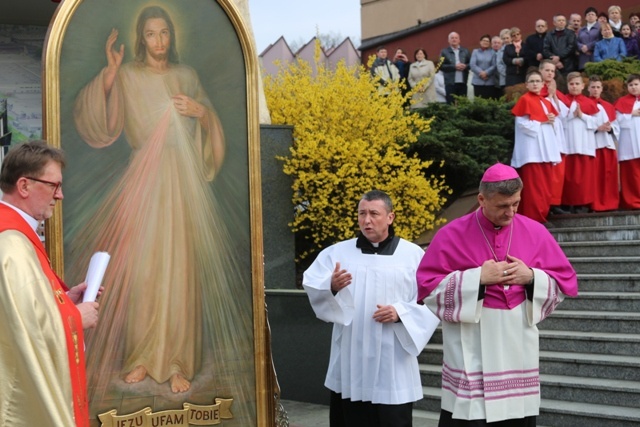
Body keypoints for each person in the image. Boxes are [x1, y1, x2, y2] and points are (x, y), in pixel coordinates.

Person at [72, 4, 251, 399]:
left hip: (183, 183)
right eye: (151, 34)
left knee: (180, 269)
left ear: (173, 35)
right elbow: (99, 123)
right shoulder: (130, 75)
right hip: (145, 180)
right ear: (141, 38)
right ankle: (141, 356)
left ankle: (177, 363)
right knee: (145, 270)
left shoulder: (187, 76)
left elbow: (211, 126)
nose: (159, 41)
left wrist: (202, 113)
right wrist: (111, 72)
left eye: (165, 33)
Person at [417, 162, 578, 425]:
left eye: (515, 203)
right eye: (503, 206)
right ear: (481, 199)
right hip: (471, 341)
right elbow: (427, 288)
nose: (511, 212)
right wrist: (477, 278)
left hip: (516, 342)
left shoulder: (536, 232)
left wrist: (531, 278)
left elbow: (565, 281)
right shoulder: (450, 235)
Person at [303, 190, 438, 427]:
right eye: (362, 213)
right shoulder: (337, 253)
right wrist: (330, 286)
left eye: (374, 213)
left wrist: (400, 314)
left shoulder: (413, 255)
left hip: (393, 358)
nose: (366, 220)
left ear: (390, 217)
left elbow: (431, 298)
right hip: (351, 356)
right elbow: (313, 284)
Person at [0, 140, 99, 426]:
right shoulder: (12, 246)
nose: (61, 195)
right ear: (24, 186)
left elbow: (19, 311)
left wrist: (66, 300)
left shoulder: (14, 235)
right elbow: (21, 332)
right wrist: (75, 318)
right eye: (54, 186)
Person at [510, 70, 562, 222]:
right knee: (534, 188)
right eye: (531, 81)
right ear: (526, 85)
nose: (534, 84)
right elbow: (522, 125)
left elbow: (553, 123)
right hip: (532, 152)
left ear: (543, 84)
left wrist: (551, 120)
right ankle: (535, 219)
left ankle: (543, 215)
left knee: (545, 187)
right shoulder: (525, 100)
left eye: (537, 81)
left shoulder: (546, 102)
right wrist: (543, 121)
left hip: (546, 151)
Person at [561, 72, 599, 213]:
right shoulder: (563, 101)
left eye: (577, 84)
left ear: (583, 86)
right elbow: (559, 121)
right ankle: (567, 203)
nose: (574, 86)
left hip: (585, 144)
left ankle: (582, 204)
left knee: (584, 178)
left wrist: (582, 115)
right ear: (567, 85)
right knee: (568, 177)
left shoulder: (589, 102)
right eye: (571, 84)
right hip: (568, 143)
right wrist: (572, 115)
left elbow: (596, 123)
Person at [588, 75, 620, 211]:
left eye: (598, 87)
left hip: (607, 145)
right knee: (595, 178)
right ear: (588, 88)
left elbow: (616, 125)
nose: (595, 90)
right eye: (593, 87)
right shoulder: (584, 104)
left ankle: (611, 203)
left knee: (609, 176)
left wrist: (610, 128)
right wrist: (596, 128)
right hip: (593, 145)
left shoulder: (608, 106)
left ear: (602, 89)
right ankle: (595, 204)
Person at [614, 74, 640, 209]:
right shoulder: (622, 102)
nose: (633, 87)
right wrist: (631, 114)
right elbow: (616, 121)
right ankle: (632, 202)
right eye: (631, 85)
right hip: (629, 144)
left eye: (636, 84)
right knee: (631, 175)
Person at [440, 32, 470, 103]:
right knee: (450, 104)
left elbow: (471, 64)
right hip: (450, 83)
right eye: (452, 38)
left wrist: (465, 66)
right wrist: (454, 67)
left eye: (456, 38)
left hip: (463, 82)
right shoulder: (444, 52)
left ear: (459, 40)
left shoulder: (465, 51)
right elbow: (441, 66)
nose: (454, 40)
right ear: (448, 40)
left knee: (463, 104)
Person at [470, 34, 497, 98]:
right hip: (477, 81)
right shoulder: (475, 52)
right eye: (484, 40)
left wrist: (486, 73)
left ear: (490, 43)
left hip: (489, 81)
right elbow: (472, 65)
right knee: (479, 102)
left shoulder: (492, 52)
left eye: (487, 41)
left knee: (489, 102)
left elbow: (494, 65)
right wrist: (481, 73)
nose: (485, 42)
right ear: (480, 42)